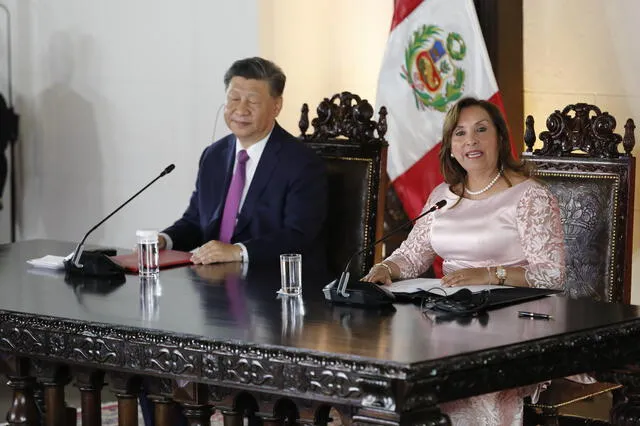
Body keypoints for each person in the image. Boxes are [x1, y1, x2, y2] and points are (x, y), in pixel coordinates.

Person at [362, 97, 566, 425]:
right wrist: (385, 268)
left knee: (460, 384)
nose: (470, 140)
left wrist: (488, 274)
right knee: (391, 369)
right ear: (451, 148)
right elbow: (413, 254)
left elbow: (551, 274)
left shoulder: (530, 196)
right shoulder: (444, 195)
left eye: (481, 130)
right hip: (448, 315)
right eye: (460, 133)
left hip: (510, 322)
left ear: (500, 139)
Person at [159, 57, 327, 271]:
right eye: (234, 99)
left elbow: (298, 234)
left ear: (276, 106)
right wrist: (165, 240)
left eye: (253, 102)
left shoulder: (302, 163)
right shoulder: (213, 155)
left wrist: (238, 252)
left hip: (272, 283)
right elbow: (196, 221)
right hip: (213, 281)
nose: (240, 109)